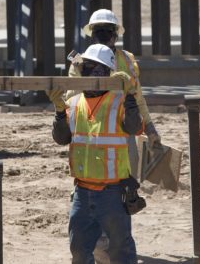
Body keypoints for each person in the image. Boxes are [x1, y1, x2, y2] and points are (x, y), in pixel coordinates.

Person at [49, 44, 142, 264]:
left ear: (108, 73)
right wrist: (59, 111)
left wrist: (130, 97)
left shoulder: (118, 102)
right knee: (79, 251)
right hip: (81, 192)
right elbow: (62, 138)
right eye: (87, 69)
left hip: (112, 192)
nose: (90, 74)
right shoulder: (73, 103)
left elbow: (133, 127)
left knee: (121, 252)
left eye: (97, 70)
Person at [68, 9, 160, 149]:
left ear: (115, 35)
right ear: (92, 34)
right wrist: (84, 74)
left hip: (121, 129)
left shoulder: (127, 60)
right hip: (88, 129)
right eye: (99, 30)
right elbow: (72, 102)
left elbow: (138, 98)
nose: (103, 35)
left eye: (108, 30)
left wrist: (150, 129)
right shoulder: (80, 62)